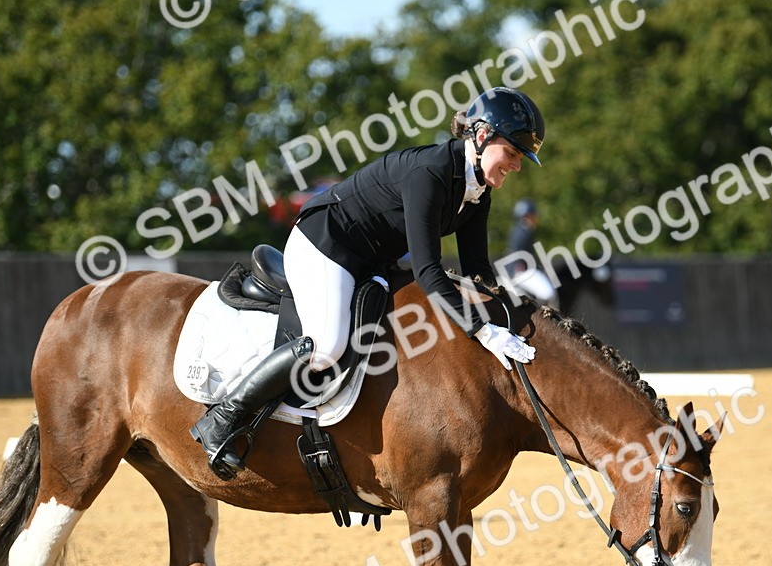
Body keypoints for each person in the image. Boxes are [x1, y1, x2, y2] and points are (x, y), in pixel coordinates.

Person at [191, 87, 545, 479]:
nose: (515, 166)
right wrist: (480, 328)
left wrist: (503, 314)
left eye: (519, 159)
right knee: (327, 345)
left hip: (370, 258)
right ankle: (225, 417)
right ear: (480, 137)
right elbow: (429, 271)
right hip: (325, 243)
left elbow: (478, 271)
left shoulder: (477, 191)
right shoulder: (430, 173)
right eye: (512, 154)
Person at [504, 198, 558, 308]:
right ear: (528, 215)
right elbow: (518, 252)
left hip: (516, 270)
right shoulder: (525, 230)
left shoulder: (517, 229)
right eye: (533, 215)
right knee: (549, 293)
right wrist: (519, 265)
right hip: (521, 272)